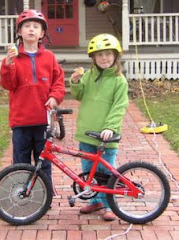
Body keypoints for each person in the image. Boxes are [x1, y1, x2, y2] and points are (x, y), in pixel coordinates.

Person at [0, 9, 65, 186]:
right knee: (21, 162)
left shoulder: (49, 57)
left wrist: (54, 97)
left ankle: (45, 194)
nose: (31, 30)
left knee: (43, 161)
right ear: (19, 32)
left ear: (42, 33)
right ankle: (22, 193)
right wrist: (8, 65)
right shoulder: (13, 58)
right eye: (26, 26)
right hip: (21, 121)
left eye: (36, 27)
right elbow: (8, 84)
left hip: (43, 120)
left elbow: (58, 82)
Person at [69, 33, 128, 221]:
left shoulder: (119, 81)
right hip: (86, 133)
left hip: (106, 136)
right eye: (100, 55)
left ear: (116, 56)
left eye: (109, 54)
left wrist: (110, 126)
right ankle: (95, 201)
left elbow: (119, 106)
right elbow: (78, 95)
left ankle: (109, 205)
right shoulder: (88, 76)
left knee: (106, 172)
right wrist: (76, 82)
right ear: (93, 58)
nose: (105, 58)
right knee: (88, 171)